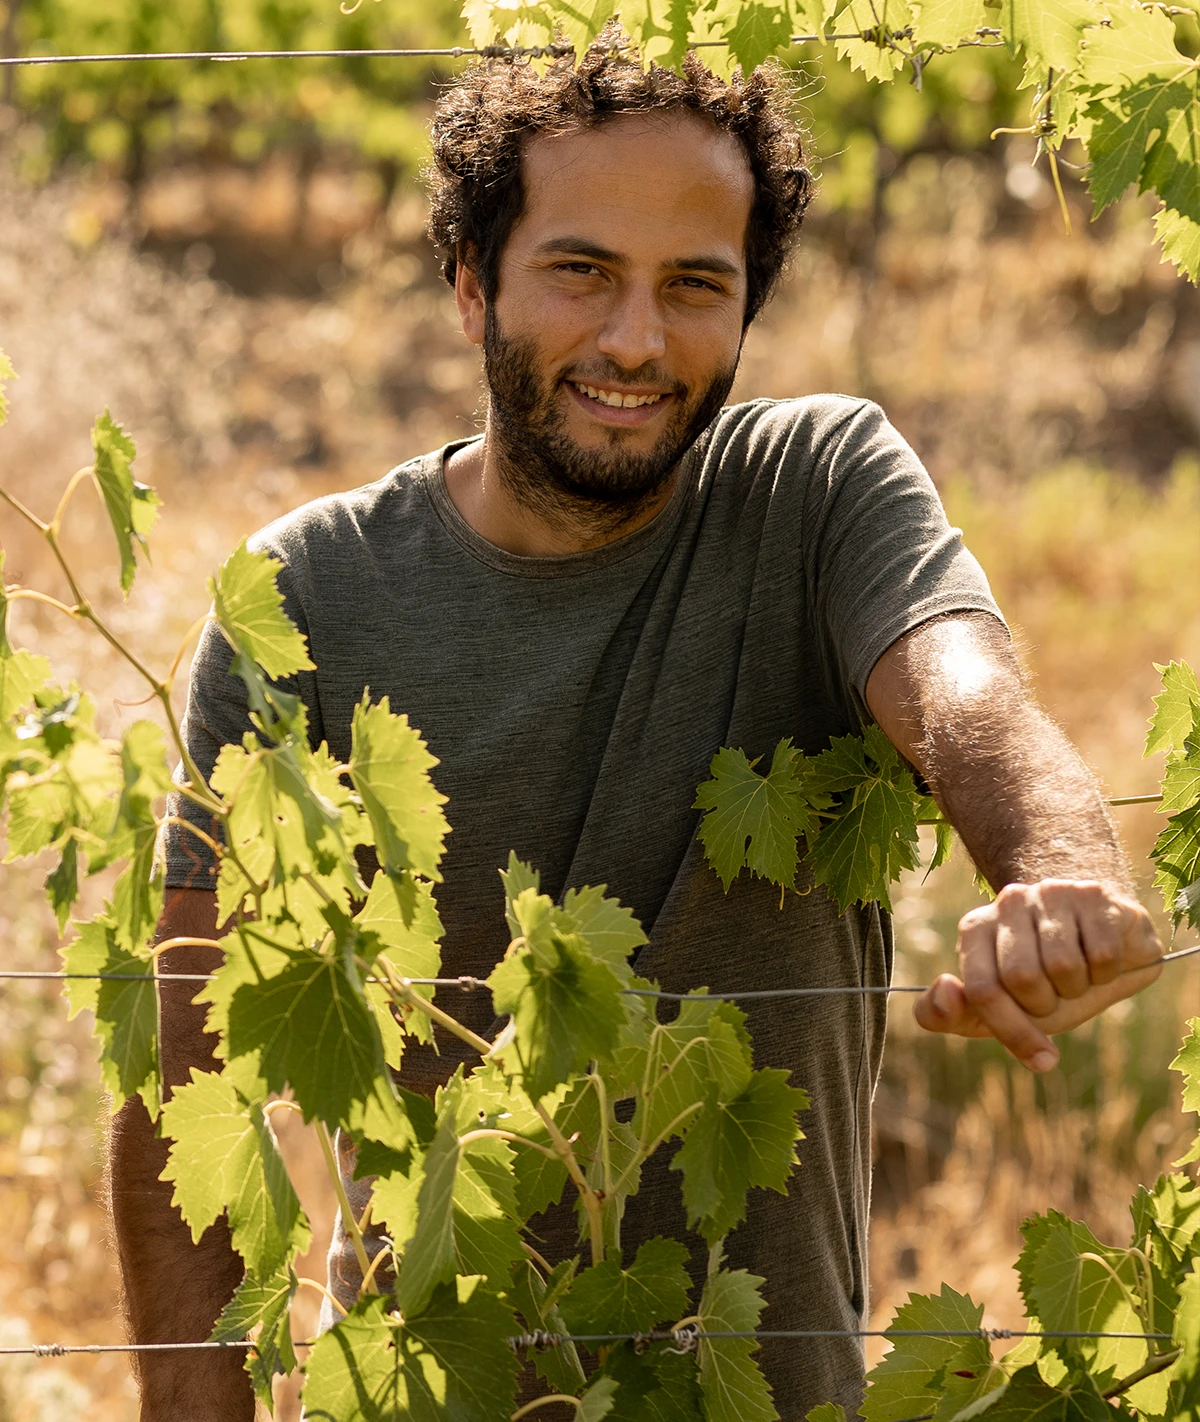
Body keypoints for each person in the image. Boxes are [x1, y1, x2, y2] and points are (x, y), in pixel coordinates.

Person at [110, 42, 1163, 1422]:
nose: (634, 340)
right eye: (581, 271)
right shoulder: (305, 595)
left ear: (746, 310)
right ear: (471, 280)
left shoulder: (820, 489)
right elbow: (187, 1080)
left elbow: (967, 697)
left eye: (694, 287)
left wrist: (1057, 869)